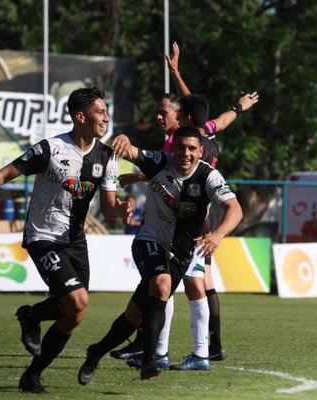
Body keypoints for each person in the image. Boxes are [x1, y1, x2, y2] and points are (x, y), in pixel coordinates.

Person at [0, 87, 131, 393]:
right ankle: (30, 315)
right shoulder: (51, 149)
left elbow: (108, 209)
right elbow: (4, 175)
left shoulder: (107, 157)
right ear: (80, 116)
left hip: (75, 240)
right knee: (77, 301)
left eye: (106, 111)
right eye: (100, 112)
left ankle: (32, 375)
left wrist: (120, 210)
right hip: (43, 236)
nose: (106, 118)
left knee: (75, 314)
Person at [78, 126, 243, 383]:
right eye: (180, 147)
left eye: (191, 148)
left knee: (136, 313)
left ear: (201, 151)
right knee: (162, 284)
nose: (185, 154)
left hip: (181, 255)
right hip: (149, 240)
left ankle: (96, 352)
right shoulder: (159, 162)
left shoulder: (209, 176)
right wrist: (122, 138)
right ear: (172, 148)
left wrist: (218, 234)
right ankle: (150, 360)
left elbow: (235, 209)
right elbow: (130, 151)